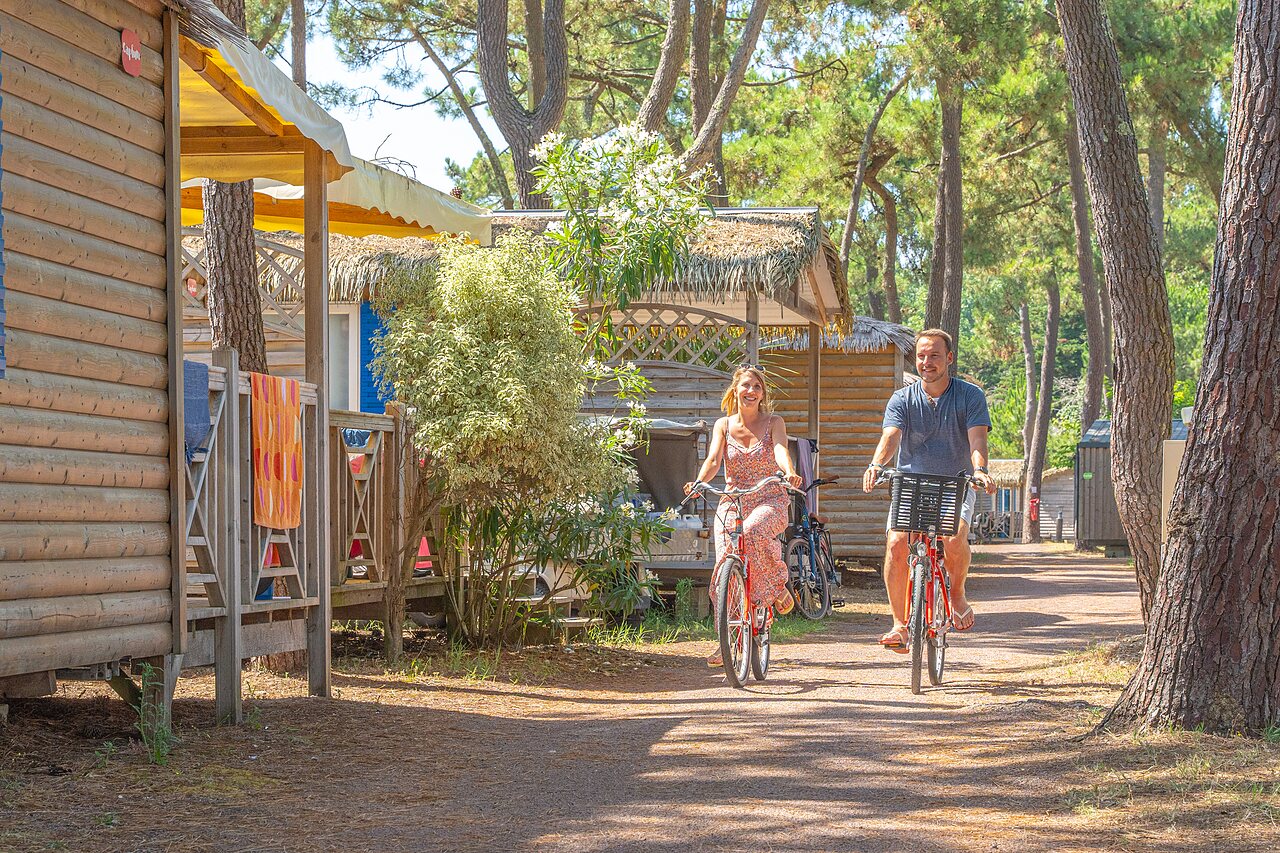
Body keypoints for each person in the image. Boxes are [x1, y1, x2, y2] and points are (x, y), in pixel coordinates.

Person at [861, 329, 996, 651]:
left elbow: (977, 439)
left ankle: (957, 593)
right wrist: (876, 465)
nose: (927, 362)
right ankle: (899, 625)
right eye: (921, 356)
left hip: (955, 481)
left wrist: (980, 470)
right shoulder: (902, 399)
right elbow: (891, 436)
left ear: (949, 358)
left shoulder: (970, 396)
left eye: (934, 355)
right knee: (896, 544)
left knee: (954, 536)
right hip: (911, 483)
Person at [684, 364, 804, 665]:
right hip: (733, 499)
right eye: (746, 386)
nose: (751, 392)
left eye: (757, 387)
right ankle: (727, 641)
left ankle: (777, 586)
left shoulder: (774, 421)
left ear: (762, 394)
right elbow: (713, 460)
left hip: (769, 497)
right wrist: (701, 481)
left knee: (751, 533)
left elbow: (779, 449)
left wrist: (789, 472)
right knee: (725, 567)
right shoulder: (723, 425)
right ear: (735, 390)